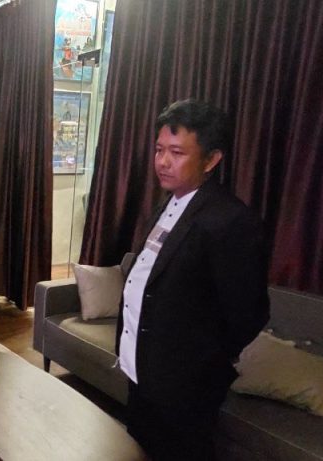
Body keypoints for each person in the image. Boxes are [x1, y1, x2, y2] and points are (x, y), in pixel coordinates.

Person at [117, 99, 270, 459]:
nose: (162, 162)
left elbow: (248, 314)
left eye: (177, 152)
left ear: (211, 159)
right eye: (159, 150)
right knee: (137, 449)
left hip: (184, 386)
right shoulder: (168, 203)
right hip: (141, 368)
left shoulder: (230, 220)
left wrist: (198, 364)